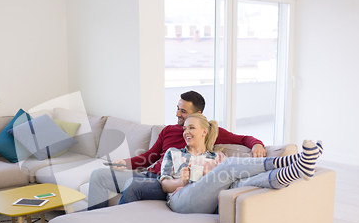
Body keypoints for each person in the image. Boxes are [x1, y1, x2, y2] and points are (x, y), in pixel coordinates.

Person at [87, 91, 266, 210]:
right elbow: (150, 157)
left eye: (183, 111)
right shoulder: (168, 130)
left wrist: (257, 144)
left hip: (167, 183)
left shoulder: (206, 132)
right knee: (98, 175)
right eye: (177, 109)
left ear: (199, 114)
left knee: (133, 186)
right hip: (149, 175)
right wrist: (126, 163)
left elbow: (243, 139)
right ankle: (93, 221)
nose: (177, 114)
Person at [161, 113, 323, 214]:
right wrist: (182, 180)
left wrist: (207, 176)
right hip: (181, 200)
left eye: (191, 128)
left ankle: (297, 170)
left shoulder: (218, 157)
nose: (186, 132)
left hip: (211, 203)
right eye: (184, 129)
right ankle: (295, 160)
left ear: (204, 131)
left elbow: (224, 185)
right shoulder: (174, 153)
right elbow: (165, 185)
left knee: (246, 182)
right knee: (230, 167)